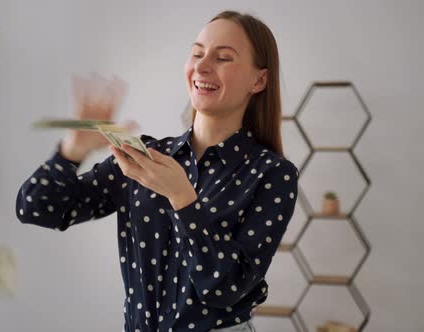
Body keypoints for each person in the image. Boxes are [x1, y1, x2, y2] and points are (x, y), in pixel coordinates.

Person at [16, 10, 298, 332]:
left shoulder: (273, 175)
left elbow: (224, 288)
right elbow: (36, 208)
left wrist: (182, 198)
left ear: (259, 80)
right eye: (196, 53)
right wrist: (71, 151)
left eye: (223, 57)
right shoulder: (144, 157)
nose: (202, 66)